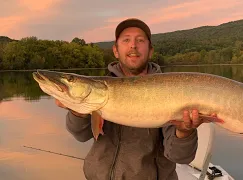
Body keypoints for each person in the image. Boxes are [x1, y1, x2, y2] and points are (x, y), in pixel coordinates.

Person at [55, 18, 208, 180]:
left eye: (140, 40)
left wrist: (185, 131)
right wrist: (77, 112)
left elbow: (180, 157)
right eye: (126, 40)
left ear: (150, 51)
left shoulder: (170, 90)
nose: (133, 45)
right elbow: (81, 135)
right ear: (115, 50)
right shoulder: (100, 89)